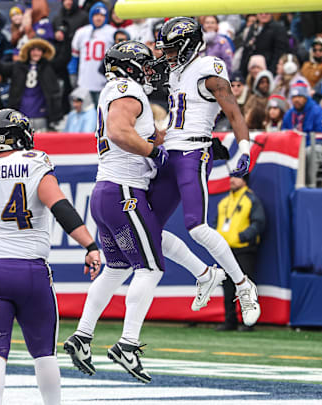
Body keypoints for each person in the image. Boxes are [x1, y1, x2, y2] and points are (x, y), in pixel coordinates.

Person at [63, 41, 226, 384]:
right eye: (145, 64)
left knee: (119, 266)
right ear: (131, 67)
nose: (151, 69)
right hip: (125, 193)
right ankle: (128, 344)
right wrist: (153, 152)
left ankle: (82, 335)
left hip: (106, 193)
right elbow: (121, 132)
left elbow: (138, 132)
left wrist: (184, 139)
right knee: (149, 267)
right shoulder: (127, 90)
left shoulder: (116, 91)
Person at [0, 108, 101, 405]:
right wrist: (89, 245)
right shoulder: (32, 164)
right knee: (44, 352)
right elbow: (61, 208)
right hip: (30, 271)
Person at [154, 17, 261, 325]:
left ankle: (243, 285)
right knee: (147, 228)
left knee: (196, 226)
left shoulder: (208, 67)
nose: (168, 54)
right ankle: (203, 275)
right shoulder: (174, 73)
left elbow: (232, 110)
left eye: (173, 49)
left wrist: (244, 147)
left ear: (188, 46)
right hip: (168, 152)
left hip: (193, 151)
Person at [211, 173, 265, 331]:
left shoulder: (251, 199)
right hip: (225, 251)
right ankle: (230, 320)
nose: (232, 180)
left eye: (237, 177)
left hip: (244, 250)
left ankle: (249, 322)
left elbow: (259, 222)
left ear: (244, 180)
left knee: (246, 286)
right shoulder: (224, 202)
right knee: (227, 288)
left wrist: (243, 237)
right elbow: (216, 223)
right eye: (231, 177)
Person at [0, 38, 64, 131]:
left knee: (41, 144)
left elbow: (64, 59)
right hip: (20, 115)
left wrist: (65, 40)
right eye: (33, 50)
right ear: (28, 52)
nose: (36, 53)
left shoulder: (49, 66)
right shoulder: (18, 66)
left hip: (42, 115)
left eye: (39, 50)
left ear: (43, 52)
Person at [71, 2, 116, 103]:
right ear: (91, 16)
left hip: (103, 83)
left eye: (102, 15)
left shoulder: (112, 32)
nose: (99, 18)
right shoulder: (81, 32)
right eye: (96, 15)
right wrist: (73, 73)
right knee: (86, 114)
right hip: (84, 82)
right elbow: (74, 57)